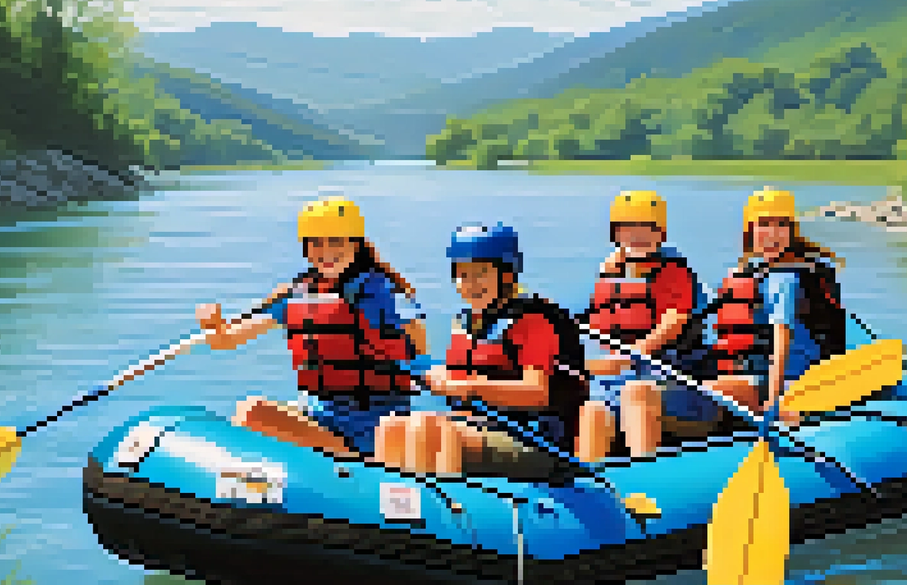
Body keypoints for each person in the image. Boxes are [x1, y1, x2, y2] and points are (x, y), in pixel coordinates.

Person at [195, 197, 427, 458]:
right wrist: (212, 324)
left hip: (375, 423)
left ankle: (359, 463)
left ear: (355, 243)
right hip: (323, 415)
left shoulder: (383, 290)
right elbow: (224, 340)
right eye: (316, 242)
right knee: (245, 413)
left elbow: (417, 344)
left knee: (252, 413)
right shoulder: (299, 293)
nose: (326, 251)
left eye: (336, 241)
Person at [373, 223, 587, 480]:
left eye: (481, 273)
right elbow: (461, 373)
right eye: (462, 275)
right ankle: (393, 510)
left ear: (507, 274)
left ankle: (452, 513)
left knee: (435, 430)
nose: (470, 284)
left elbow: (536, 393)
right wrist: (430, 376)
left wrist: (469, 387)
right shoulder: (465, 322)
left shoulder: (532, 321)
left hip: (534, 442)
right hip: (476, 426)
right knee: (392, 426)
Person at [577, 190, 720, 461]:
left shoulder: (674, 272)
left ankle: (646, 480)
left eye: (647, 228)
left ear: (661, 233)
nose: (637, 235)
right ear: (615, 234)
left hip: (681, 382)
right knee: (592, 410)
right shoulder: (612, 274)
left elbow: (672, 325)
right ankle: (588, 485)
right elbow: (596, 329)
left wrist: (628, 357)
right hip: (622, 379)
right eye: (628, 228)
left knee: (636, 392)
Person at [705, 187, 847, 423]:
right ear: (749, 231)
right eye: (763, 224)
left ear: (791, 232)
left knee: (705, 391)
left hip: (790, 379)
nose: (771, 234)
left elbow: (781, 342)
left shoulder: (784, 279)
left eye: (780, 225)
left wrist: (773, 400)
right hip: (760, 373)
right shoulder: (760, 273)